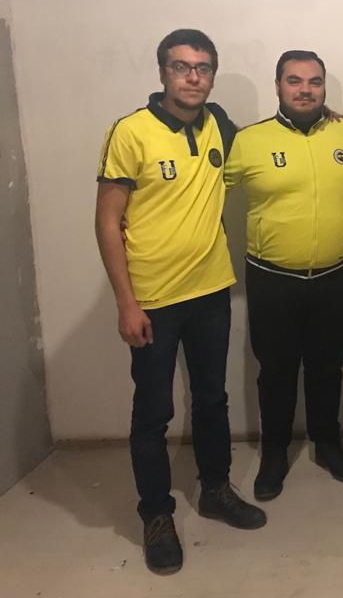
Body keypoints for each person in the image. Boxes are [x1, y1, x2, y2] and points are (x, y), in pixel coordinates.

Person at [95, 29, 265, 575]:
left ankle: (215, 489)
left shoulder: (219, 125)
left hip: (210, 291)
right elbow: (107, 221)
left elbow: (269, 141)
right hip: (153, 300)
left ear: (212, 75)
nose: (193, 77)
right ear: (162, 72)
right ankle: (156, 515)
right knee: (153, 412)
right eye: (181, 66)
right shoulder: (131, 132)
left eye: (203, 68)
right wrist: (126, 303)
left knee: (212, 399)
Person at [224, 50, 343, 501]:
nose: (305, 90)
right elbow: (201, 189)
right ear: (277, 86)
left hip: (336, 277)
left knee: (328, 368)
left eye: (314, 82)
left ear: (324, 87)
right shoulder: (248, 141)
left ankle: (327, 445)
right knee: (275, 371)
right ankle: (274, 454)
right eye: (294, 81)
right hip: (271, 279)